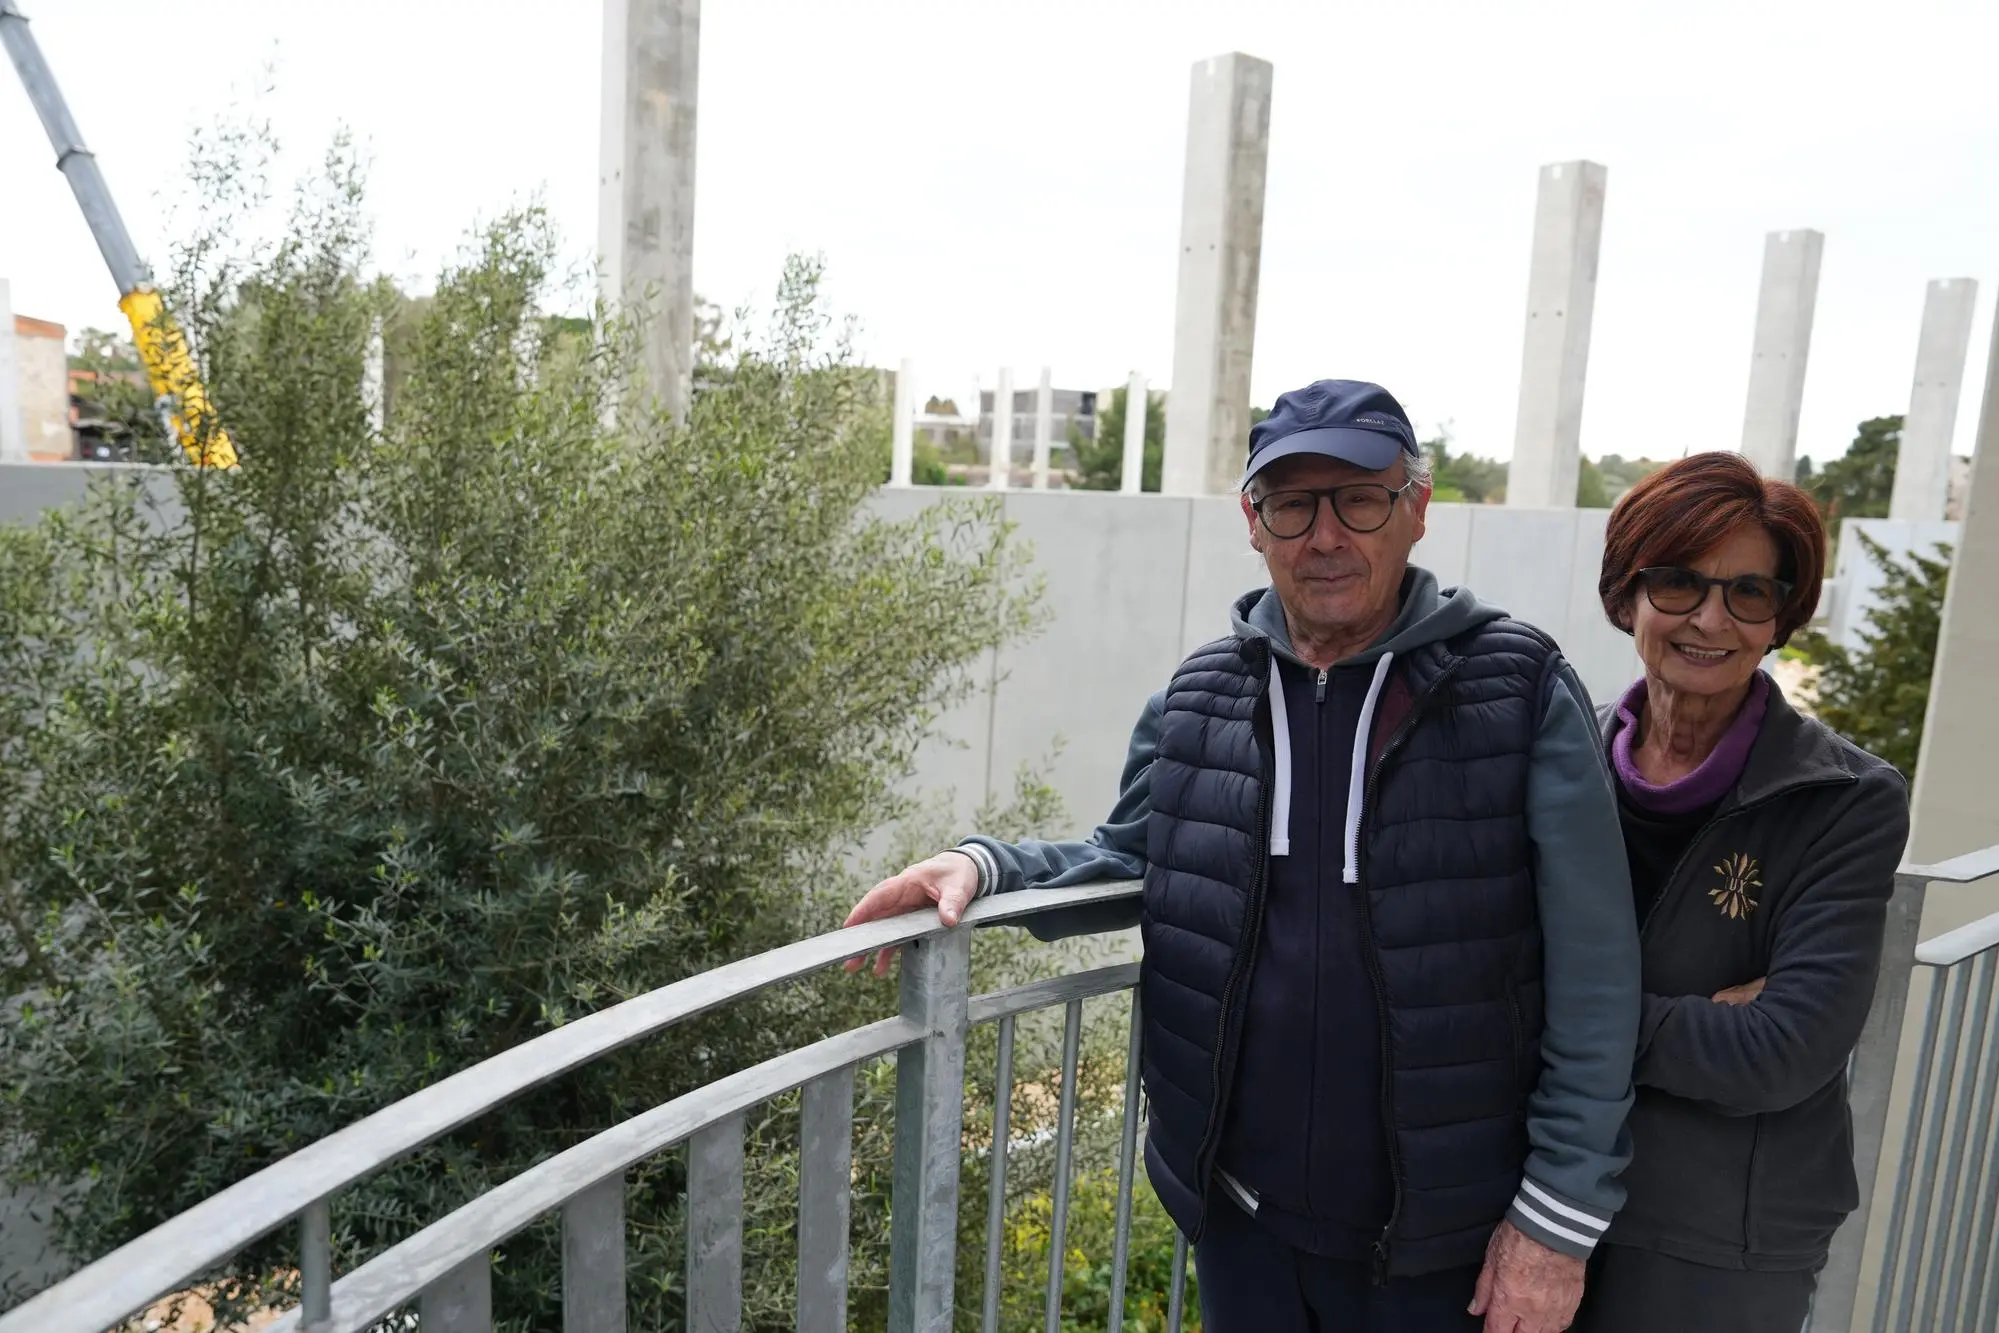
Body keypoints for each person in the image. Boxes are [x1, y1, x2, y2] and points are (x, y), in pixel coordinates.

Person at [845, 380, 1641, 1333]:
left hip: (1449, 1243)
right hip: (1243, 1229)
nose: (1325, 535)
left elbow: (1598, 976)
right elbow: (1134, 860)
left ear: (1416, 510)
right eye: (1291, 504)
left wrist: (1554, 1224)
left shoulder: (1516, 691)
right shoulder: (1199, 698)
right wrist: (984, 868)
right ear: (1251, 523)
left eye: (1359, 498)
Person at [1568, 452, 1910, 1333]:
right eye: (1679, 582)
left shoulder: (1844, 798)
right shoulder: (1555, 764)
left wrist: (1554, 1013)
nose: (1711, 619)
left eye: (1749, 592)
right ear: (1626, 596)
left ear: (1779, 619)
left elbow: (1781, 1048)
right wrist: (1691, 1017)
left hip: (1722, 1236)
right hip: (1543, 1196)